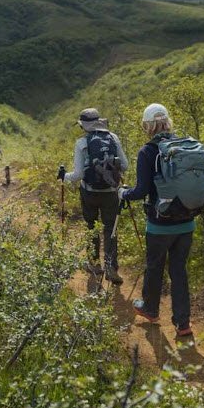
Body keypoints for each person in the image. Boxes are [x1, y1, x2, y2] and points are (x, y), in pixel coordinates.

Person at [118, 103, 194, 338]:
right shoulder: (184, 146)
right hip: (187, 222)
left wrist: (123, 193)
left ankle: (150, 309)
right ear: (168, 122)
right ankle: (183, 324)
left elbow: (141, 191)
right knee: (179, 271)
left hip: (160, 224)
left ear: (147, 126)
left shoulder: (148, 152)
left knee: (154, 267)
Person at [58, 108, 128, 284]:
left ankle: (95, 264)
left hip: (89, 192)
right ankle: (111, 266)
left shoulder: (81, 142)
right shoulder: (113, 138)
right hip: (111, 193)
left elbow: (78, 176)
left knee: (91, 226)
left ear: (83, 126)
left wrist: (63, 176)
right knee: (111, 228)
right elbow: (125, 166)